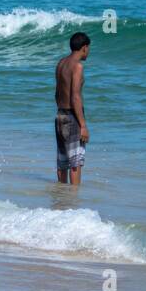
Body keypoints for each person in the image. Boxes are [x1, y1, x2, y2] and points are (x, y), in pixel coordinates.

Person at [55, 32, 90, 185]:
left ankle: (62, 199)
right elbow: (75, 96)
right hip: (72, 117)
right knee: (75, 163)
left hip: (60, 116)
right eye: (88, 49)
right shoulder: (77, 66)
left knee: (62, 163)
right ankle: (74, 202)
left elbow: (57, 93)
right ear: (84, 48)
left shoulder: (61, 63)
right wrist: (83, 125)